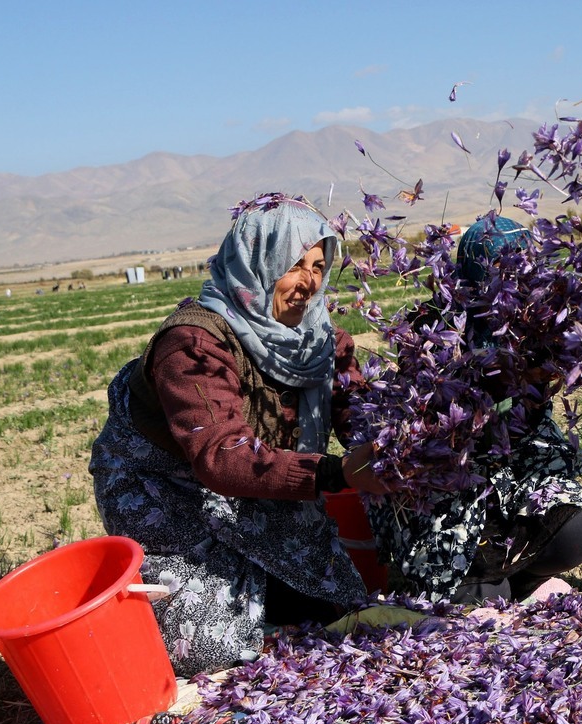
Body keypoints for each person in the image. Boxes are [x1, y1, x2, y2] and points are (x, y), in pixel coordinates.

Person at [89, 192, 384, 677]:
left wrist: (411, 438)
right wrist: (335, 472)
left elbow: (361, 417)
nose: (309, 282)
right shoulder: (192, 345)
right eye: (295, 265)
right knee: (205, 641)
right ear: (256, 262)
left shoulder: (322, 343)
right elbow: (221, 456)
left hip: (254, 478)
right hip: (163, 485)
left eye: (319, 265)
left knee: (327, 603)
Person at [367, 216, 582, 603]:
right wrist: (497, 384)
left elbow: (528, 422)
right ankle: (471, 575)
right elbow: (436, 428)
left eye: (521, 268)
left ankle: (521, 574)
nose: (511, 281)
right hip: (450, 479)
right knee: (478, 598)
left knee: (578, 528)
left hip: (511, 471)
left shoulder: (537, 326)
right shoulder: (433, 327)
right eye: (500, 268)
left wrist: (541, 382)